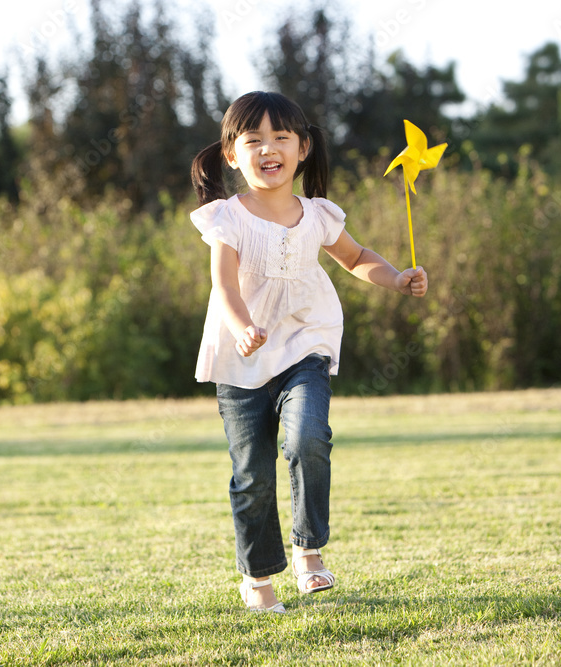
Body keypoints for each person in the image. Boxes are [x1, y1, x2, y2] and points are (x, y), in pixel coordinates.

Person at [189, 91, 429, 613]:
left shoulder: (318, 214)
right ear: (232, 154)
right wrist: (242, 326)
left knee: (308, 438)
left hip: (305, 344)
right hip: (243, 356)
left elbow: (356, 257)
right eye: (254, 140)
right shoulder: (227, 218)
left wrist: (395, 277)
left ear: (302, 148)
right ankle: (257, 578)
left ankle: (308, 549)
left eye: (281, 138)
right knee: (252, 474)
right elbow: (224, 286)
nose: (268, 148)